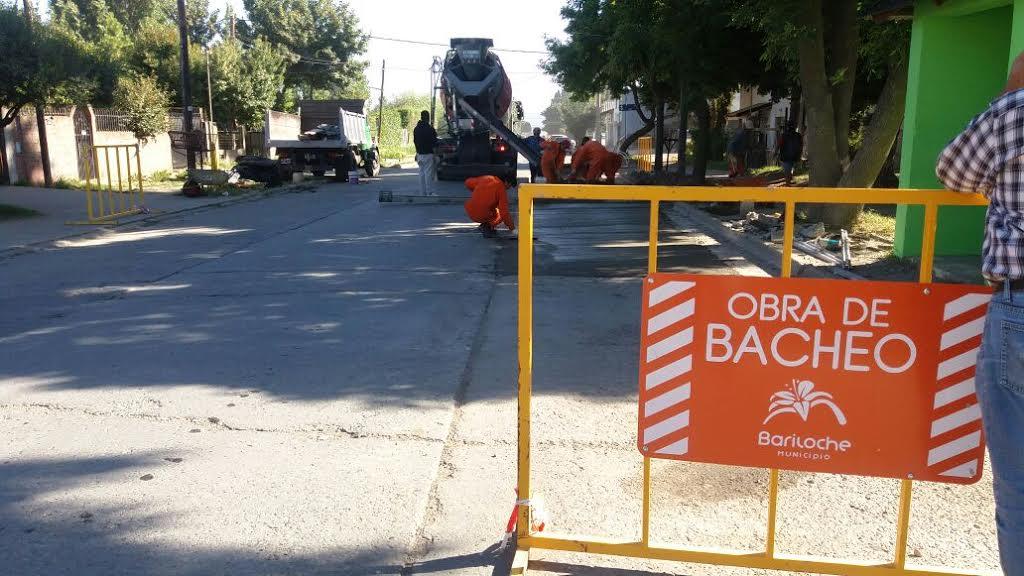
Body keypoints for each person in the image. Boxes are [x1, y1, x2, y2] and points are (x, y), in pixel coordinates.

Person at [935, 50, 1024, 575]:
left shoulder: (1013, 112)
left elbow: (953, 171)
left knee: (1019, 486)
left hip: (1020, 304)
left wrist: (1010, 93)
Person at [413, 110, 438, 196]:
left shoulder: (416, 129)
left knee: (421, 174)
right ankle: (430, 193)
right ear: (428, 118)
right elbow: (434, 143)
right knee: (428, 174)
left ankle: (422, 193)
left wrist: (416, 153)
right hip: (428, 154)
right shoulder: (430, 129)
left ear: (421, 117)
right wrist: (435, 155)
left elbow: (415, 141)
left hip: (419, 154)